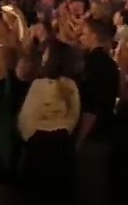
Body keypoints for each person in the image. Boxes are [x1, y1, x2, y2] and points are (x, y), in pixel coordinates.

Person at [17, 41, 81, 205]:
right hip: (62, 141)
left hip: (40, 143)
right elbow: (74, 114)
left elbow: (27, 117)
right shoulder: (71, 85)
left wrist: (30, 136)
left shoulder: (39, 85)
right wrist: (65, 129)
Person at [76, 18, 120, 205]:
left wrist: (79, 140)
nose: (81, 37)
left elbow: (92, 106)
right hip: (104, 133)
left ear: (94, 36)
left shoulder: (94, 64)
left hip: (93, 136)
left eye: (84, 33)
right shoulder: (109, 64)